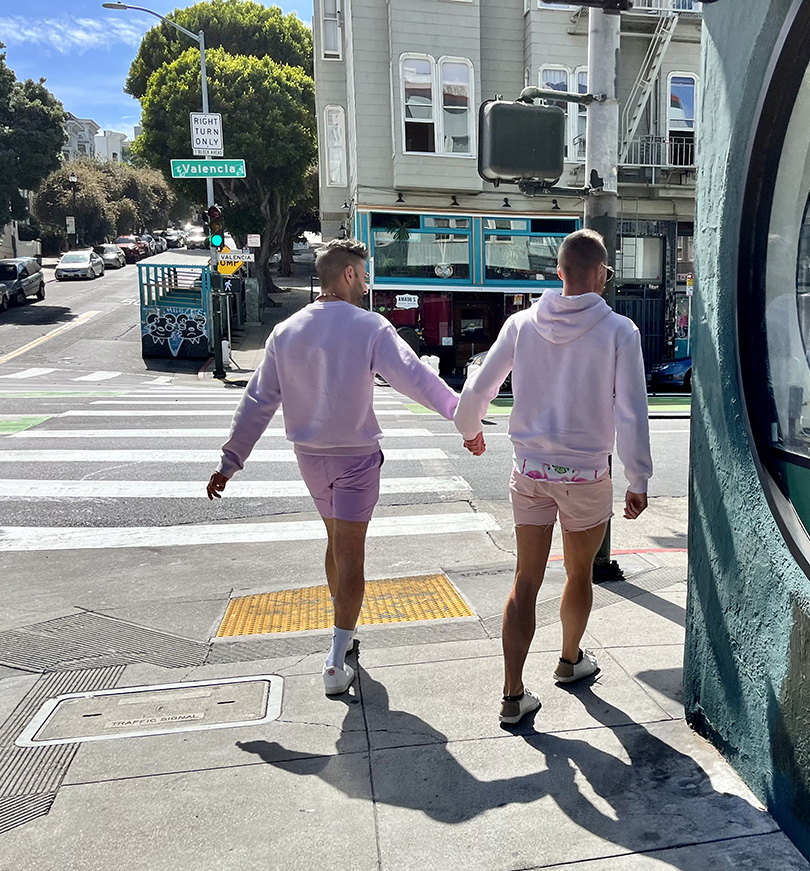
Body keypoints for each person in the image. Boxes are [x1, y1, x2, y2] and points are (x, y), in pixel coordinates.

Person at [206, 238, 481, 696]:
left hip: (310, 458)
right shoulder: (370, 327)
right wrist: (463, 418)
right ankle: (336, 659)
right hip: (356, 458)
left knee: (335, 544)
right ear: (349, 274)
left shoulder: (286, 331)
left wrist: (230, 460)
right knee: (352, 555)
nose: (367, 282)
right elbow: (415, 378)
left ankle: (343, 632)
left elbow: (257, 401)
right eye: (364, 273)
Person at [455, 229, 652, 725]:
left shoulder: (521, 325)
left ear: (559, 272)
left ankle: (513, 693)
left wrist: (471, 430)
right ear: (602, 276)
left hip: (530, 471)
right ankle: (569, 661)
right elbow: (631, 412)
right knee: (579, 573)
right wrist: (638, 478)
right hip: (586, 475)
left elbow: (478, 388)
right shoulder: (619, 331)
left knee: (525, 578)